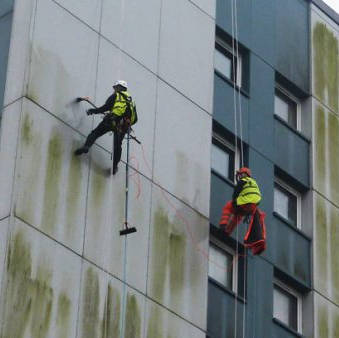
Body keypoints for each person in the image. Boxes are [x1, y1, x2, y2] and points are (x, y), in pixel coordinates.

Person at [75, 80, 138, 174]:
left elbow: (105, 107)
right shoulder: (131, 101)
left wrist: (93, 111)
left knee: (95, 133)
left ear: (118, 87)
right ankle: (115, 167)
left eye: (115, 88)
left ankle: (86, 147)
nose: (114, 90)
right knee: (117, 146)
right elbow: (135, 119)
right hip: (123, 127)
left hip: (111, 120)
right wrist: (126, 125)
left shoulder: (116, 95)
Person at [219, 167, 266, 255]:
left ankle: (223, 226)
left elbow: (237, 191)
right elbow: (256, 195)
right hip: (252, 206)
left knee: (228, 207)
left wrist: (234, 201)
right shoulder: (254, 182)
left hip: (245, 202)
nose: (239, 176)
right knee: (238, 216)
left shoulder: (243, 180)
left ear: (243, 174)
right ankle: (227, 232)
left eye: (240, 174)